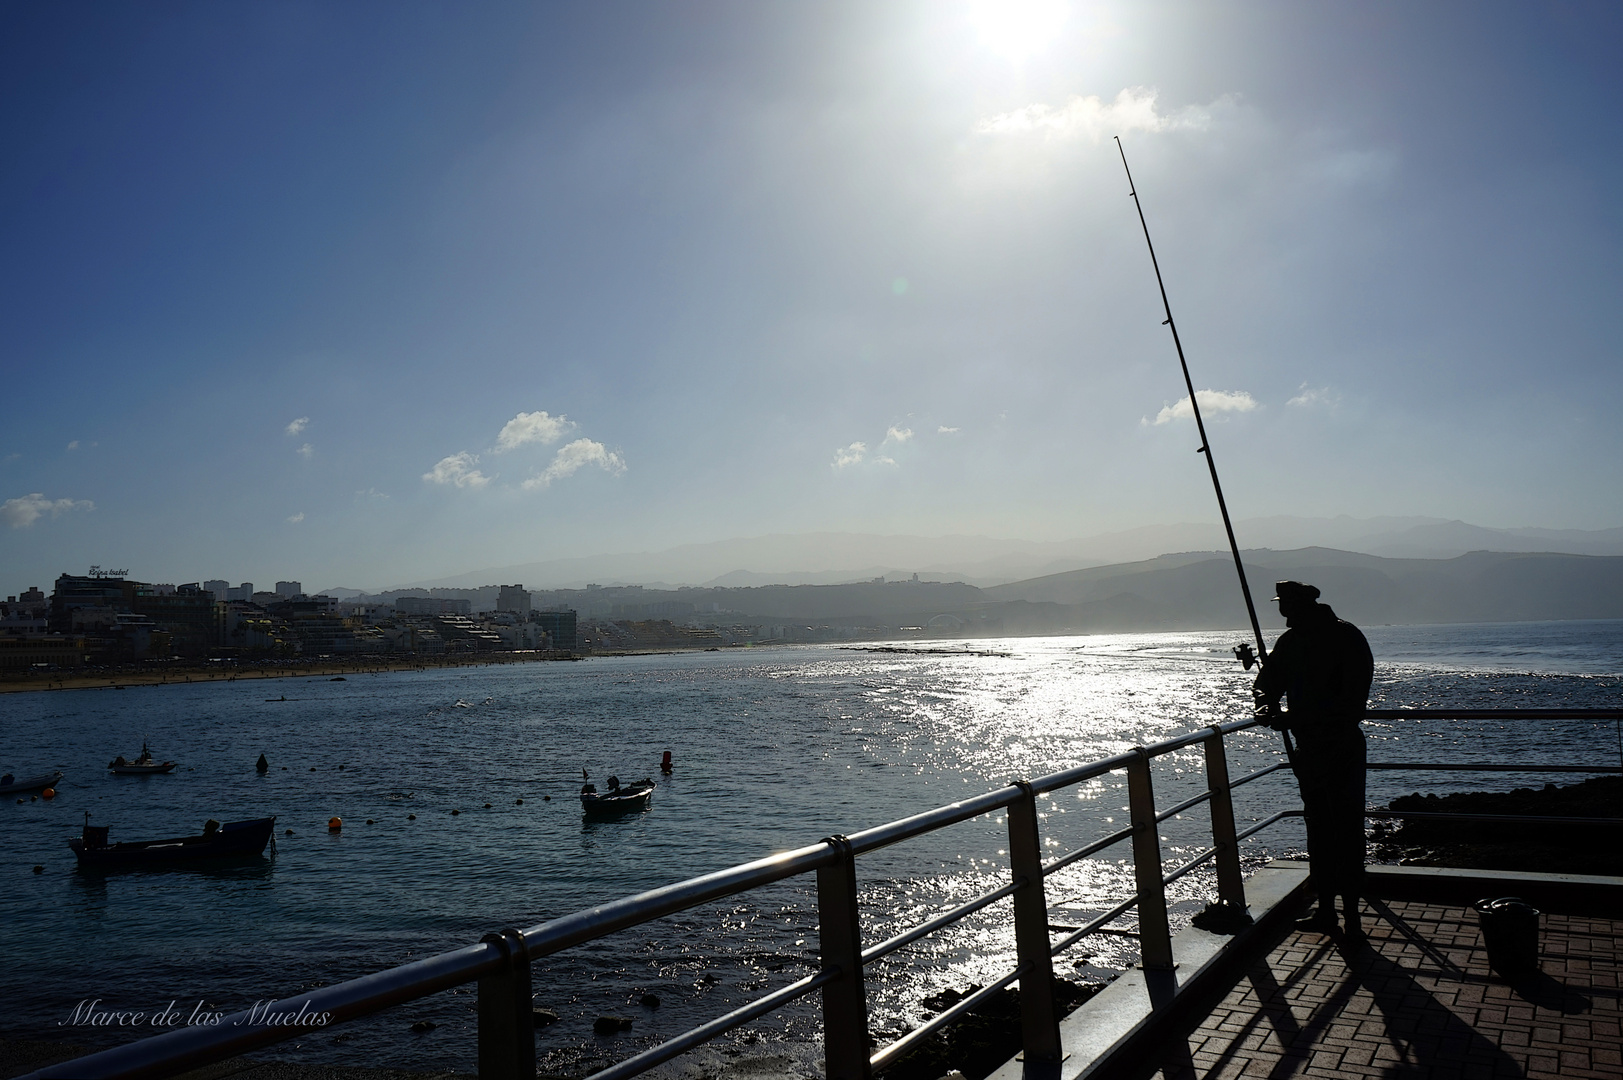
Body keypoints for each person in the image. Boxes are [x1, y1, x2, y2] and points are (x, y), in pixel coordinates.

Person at [1252, 580, 1374, 939]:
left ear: (1301, 605)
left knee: (1346, 830)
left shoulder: (1346, 637)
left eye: (1286, 605)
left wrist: (1296, 718)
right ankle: (1326, 910)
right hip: (1310, 750)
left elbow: (1352, 702)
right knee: (1319, 830)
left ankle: (1352, 917)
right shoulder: (1291, 642)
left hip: (1340, 748)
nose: (1282, 612)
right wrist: (1265, 704)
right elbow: (1266, 682)